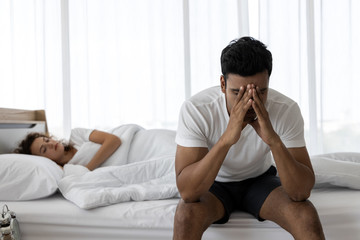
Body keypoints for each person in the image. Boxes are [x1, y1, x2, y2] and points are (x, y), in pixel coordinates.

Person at [173, 37, 325, 239]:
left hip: (260, 181)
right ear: (222, 84)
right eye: (237, 92)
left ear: (268, 83)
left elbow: (300, 192)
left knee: (305, 214)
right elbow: (189, 192)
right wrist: (227, 138)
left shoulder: (286, 109)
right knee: (186, 215)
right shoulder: (197, 110)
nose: (250, 102)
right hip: (214, 183)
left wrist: (273, 140)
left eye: (260, 92)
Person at [14, 128, 121, 171]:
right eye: (44, 150)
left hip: (130, 141)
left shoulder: (76, 135)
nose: (50, 144)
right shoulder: (68, 170)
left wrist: (88, 168)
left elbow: (114, 140)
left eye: (47, 140)